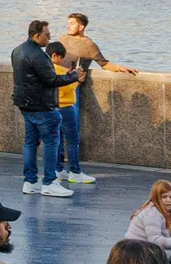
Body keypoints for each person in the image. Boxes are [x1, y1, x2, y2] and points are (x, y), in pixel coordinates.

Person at [54, 12, 132, 186]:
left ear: (81, 27)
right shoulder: (62, 39)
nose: (68, 26)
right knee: (58, 131)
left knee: (72, 131)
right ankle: (59, 169)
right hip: (55, 89)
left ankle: (73, 170)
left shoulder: (88, 45)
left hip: (72, 90)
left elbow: (104, 63)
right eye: (68, 23)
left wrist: (120, 68)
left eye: (72, 23)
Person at [11, 19, 79, 197]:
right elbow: (52, 80)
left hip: (25, 105)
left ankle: (30, 182)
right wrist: (74, 76)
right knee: (51, 142)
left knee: (30, 142)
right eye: (47, 35)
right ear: (36, 36)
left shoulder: (17, 50)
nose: (49, 38)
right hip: (42, 106)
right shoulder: (39, 56)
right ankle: (49, 182)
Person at [126, 179, 171, 247]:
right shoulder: (152, 214)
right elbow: (155, 240)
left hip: (146, 248)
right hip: (135, 249)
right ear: (156, 198)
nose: (168, 200)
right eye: (164, 197)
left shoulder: (169, 214)